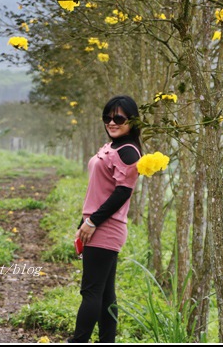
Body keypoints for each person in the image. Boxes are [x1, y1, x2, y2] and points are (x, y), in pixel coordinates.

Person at [67, 95, 142, 343]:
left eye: (119, 118)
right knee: (106, 295)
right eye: (107, 117)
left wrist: (92, 222)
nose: (112, 122)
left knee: (90, 292)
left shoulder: (129, 151)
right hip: (96, 225)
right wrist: (84, 222)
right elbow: (100, 191)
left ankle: (78, 341)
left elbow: (123, 192)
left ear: (132, 120)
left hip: (105, 228)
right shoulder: (113, 147)